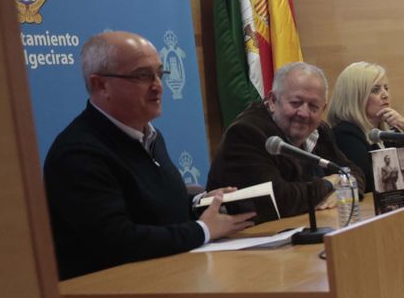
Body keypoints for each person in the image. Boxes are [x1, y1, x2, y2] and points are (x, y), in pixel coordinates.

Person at [45, 31, 254, 280]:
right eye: (143, 76)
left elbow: (152, 212)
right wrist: (203, 230)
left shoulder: (149, 136)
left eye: (159, 73)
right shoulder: (79, 153)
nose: (157, 86)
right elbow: (117, 241)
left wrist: (203, 203)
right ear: (101, 85)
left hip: (167, 279)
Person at [208, 62, 352, 218]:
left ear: (323, 109)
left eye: (313, 107)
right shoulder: (246, 133)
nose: (304, 113)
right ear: (272, 101)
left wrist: (340, 181)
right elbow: (280, 200)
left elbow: (354, 172)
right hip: (250, 236)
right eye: (296, 103)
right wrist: (330, 183)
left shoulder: (320, 131)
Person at [328, 61, 404, 194]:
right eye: (376, 90)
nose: (385, 95)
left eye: (386, 88)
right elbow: (374, 183)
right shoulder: (345, 135)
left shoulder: (385, 136)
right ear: (356, 97)